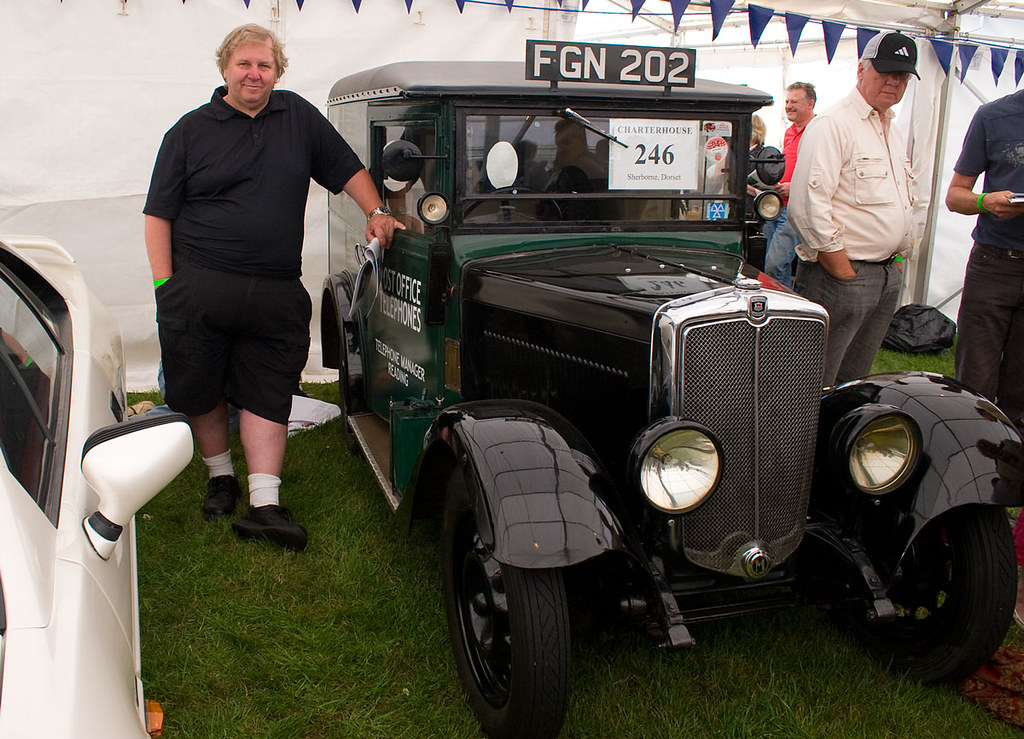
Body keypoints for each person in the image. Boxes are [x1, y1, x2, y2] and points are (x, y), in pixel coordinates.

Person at [143, 24, 402, 551]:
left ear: (278, 72)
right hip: (200, 286)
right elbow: (157, 215)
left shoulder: (297, 117)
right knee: (202, 385)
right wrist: (165, 285)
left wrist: (376, 209)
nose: (254, 74)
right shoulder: (188, 132)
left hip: (275, 289)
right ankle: (221, 477)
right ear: (224, 69)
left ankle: (264, 503)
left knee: (268, 386)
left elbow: (346, 168)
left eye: (264, 65)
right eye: (244, 64)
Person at [788, 31, 918, 387]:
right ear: (861, 70)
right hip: (843, 276)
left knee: (855, 382)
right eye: (885, 72)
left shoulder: (889, 129)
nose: (893, 82)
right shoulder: (833, 124)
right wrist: (842, 270)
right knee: (815, 382)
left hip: (882, 274)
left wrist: (896, 257)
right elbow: (807, 206)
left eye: (902, 76)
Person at [943, 88, 1024, 623]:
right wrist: (984, 202)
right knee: (973, 395)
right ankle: (957, 520)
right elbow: (955, 195)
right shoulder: (995, 116)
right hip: (995, 262)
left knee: (1020, 401)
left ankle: (1001, 534)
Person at [763, 82, 816, 288]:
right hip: (777, 204)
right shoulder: (789, 132)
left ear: (810, 104)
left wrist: (794, 187)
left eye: (794, 101)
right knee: (771, 265)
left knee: (774, 264)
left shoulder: (817, 131)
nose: (788, 106)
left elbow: (821, 172)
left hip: (796, 207)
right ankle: (783, 300)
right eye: (787, 101)